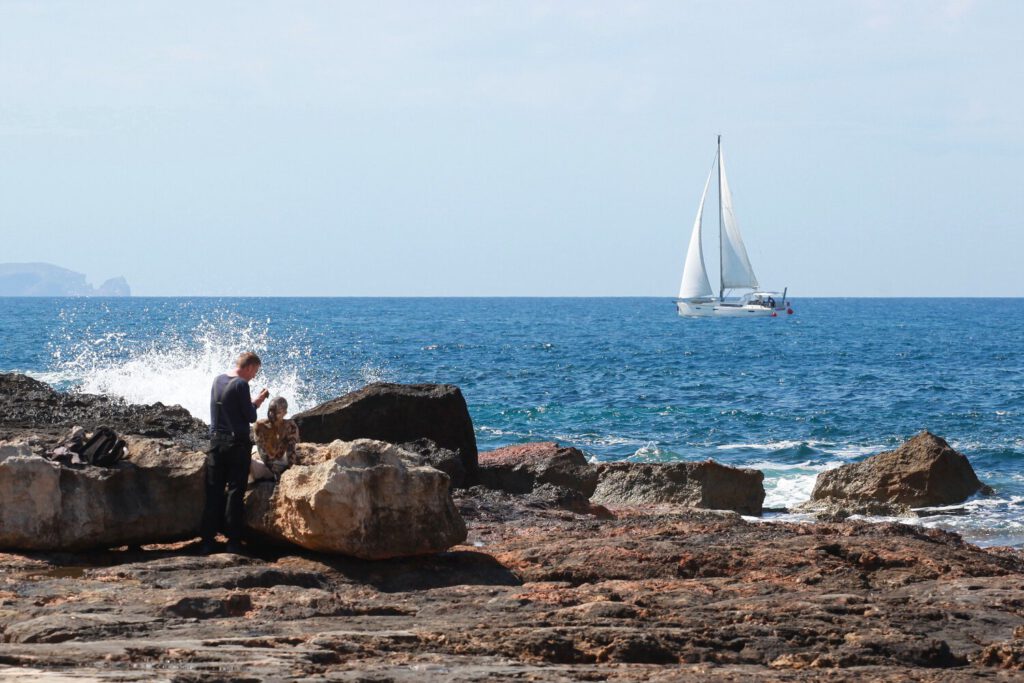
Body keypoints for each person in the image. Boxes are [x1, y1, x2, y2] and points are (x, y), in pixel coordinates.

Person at [201, 351, 269, 555]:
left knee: (213, 491)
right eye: (255, 371)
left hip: (216, 443)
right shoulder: (241, 384)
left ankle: (207, 540)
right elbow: (249, 416)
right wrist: (257, 401)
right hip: (236, 445)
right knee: (235, 491)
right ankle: (232, 540)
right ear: (248, 367)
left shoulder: (218, 380)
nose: (254, 376)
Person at [250, 396, 300, 481]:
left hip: (281, 463)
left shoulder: (290, 426)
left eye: (277, 412)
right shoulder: (260, 426)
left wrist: (291, 473)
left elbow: (291, 451)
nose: (271, 414)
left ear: (285, 412)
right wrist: (275, 472)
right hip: (266, 465)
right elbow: (263, 454)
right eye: (270, 410)